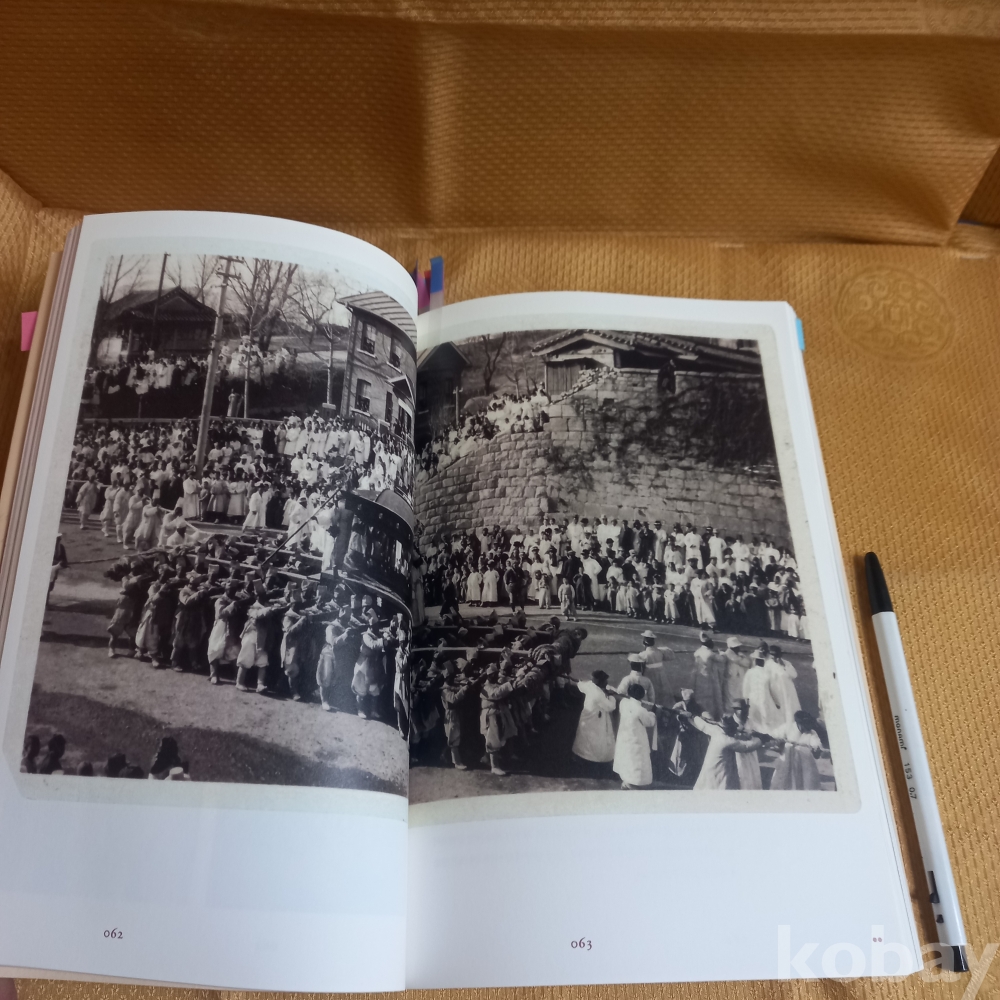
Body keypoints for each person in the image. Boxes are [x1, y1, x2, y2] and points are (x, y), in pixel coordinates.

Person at [686, 713, 762, 790]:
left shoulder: (717, 731)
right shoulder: (727, 741)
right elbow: (747, 746)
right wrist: (761, 739)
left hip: (709, 775)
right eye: (734, 726)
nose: (736, 728)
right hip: (717, 778)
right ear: (730, 729)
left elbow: (703, 725)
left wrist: (692, 716)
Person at [571, 669, 617, 771]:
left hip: (587, 717)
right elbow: (610, 707)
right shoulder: (598, 694)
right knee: (596, 740)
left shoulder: (589, 685)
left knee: (583, 738)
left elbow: (580, 685)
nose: (607, 682)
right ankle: (595, 760)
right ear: (600, 681)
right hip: (596, 721)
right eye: (605, 681)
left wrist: (580, 681)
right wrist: (611, 696)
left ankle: (579, 756)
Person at [613, 683, 657, 789]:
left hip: (625, 737)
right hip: (636, 740)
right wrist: (653, 713)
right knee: (636, 761)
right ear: (642, 696)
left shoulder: (623, 703)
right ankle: (631, 784)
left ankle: (625, 781)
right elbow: (650, 722)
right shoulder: (640, 710)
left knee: (626, 758)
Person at [770, 711, 824, 790]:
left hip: (805, 765)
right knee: (784, 783)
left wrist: (816, 749)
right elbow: (773, 736)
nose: (807, 728)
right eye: (804, 725)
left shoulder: (812, 733)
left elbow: (816, 745)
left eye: (809, 725)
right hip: (788, 761)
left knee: (806, 784)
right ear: (798, 723)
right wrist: (779, 743)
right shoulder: (788, 727)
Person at [743, 642, 784, 736]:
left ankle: (754, 733)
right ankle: (765, 734)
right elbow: (772, 690)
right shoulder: (766, 673)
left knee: (753, 717)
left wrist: (746, 699)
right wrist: (777, 702)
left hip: (753, 699)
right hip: (764, 699)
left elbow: (745, 688)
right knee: (765, 717)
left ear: (755, 661)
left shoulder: (750, 672)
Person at [692, 632, 727, 720]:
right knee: (711, 697)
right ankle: (713, 716)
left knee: (701, 697)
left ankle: (703, 715)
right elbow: (722, 659)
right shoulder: (710, 653)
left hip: (699, 678)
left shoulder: (697, 652)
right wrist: (722, 653)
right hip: (709, 680)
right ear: (707, 643)